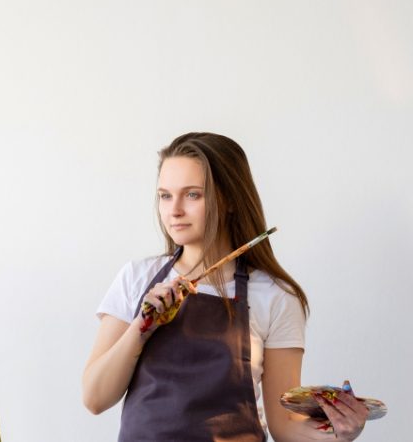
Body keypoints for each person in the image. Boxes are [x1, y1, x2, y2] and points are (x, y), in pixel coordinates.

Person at [82, 133, 369, 441]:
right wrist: (142, 326)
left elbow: (285, 426)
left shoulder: (275, 296)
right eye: (165, 195)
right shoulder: (136, 278)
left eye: (192, 195)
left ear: (230, 199)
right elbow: (95, 398)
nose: (174, 210)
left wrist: (339, 431)